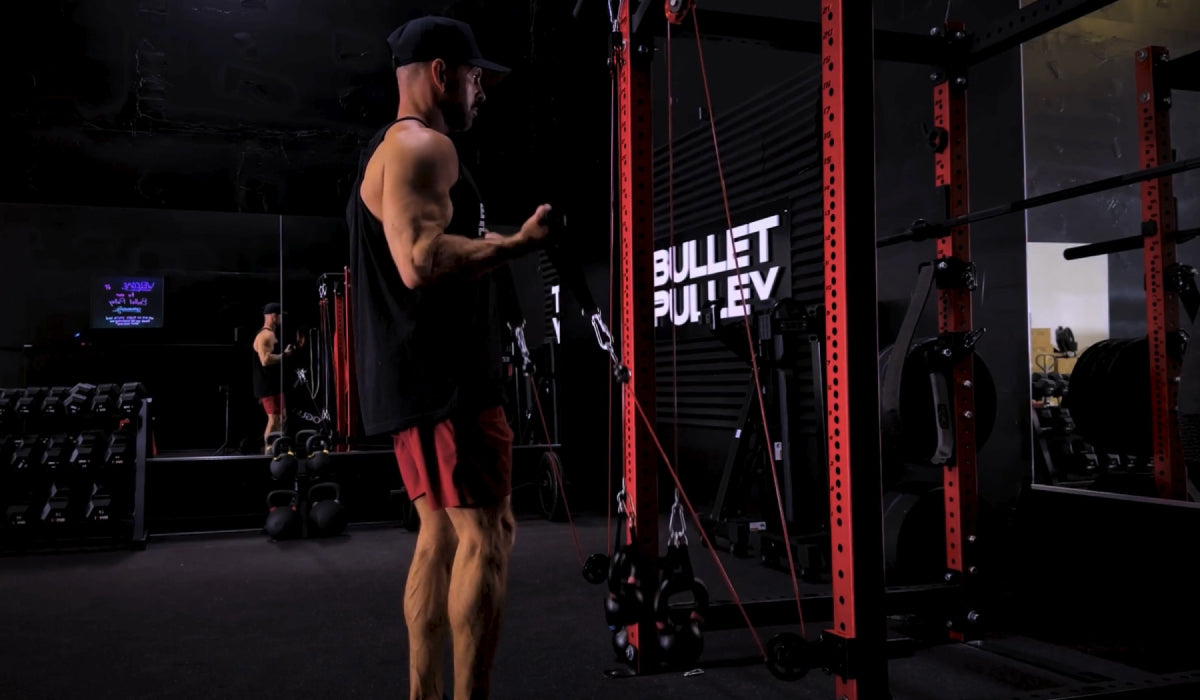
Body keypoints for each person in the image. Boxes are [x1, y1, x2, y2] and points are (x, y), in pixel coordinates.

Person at [346, 15, 553, 700]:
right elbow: (421, 259)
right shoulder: (423, 146)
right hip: (449, 385)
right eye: (473, 77)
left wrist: (487, 242)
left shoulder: (389, 150)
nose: (480, 92)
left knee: (437, 535)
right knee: (489, 536)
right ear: (441, 73)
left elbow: (429, 241)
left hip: (419, 385)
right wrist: (516, 247)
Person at [252, 302, 293, 453]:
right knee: (273, 419)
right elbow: (265, 360)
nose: (282, 319)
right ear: (274, 316)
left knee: (283, 417)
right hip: (266, 385)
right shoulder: (265, 335)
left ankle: (278, 448)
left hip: (275, 384)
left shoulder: (272, 334)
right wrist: (284, 355)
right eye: (281, 316)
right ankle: (268, 451)